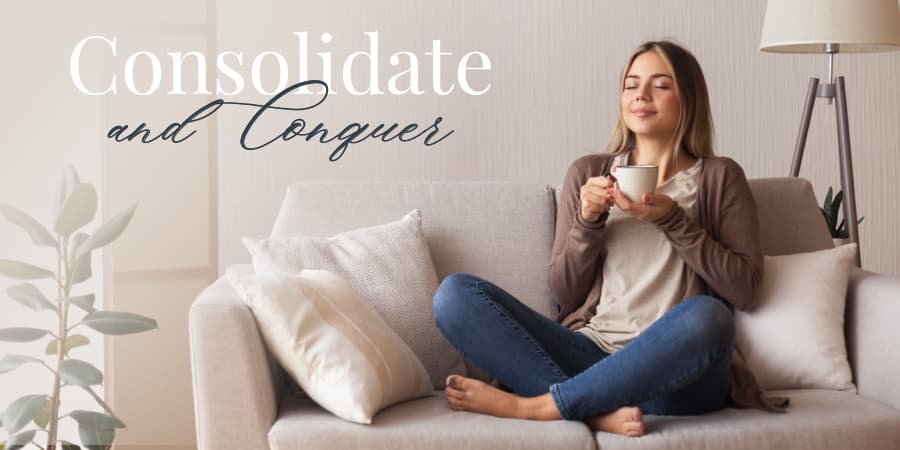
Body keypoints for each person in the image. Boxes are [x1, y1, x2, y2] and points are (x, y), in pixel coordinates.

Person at [432, 40, 785, 438]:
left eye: (660, 85)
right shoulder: (589, 173)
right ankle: (593, 413)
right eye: (631, 84)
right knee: (455, 295)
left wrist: (673, 218)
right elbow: (565, 293)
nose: (641, 95)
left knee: (709, 316)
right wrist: (587, 221)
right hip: (592, 357)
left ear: (689, 97)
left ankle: (537, 405)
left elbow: (745, 289)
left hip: (675, 378)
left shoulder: (720, 177)